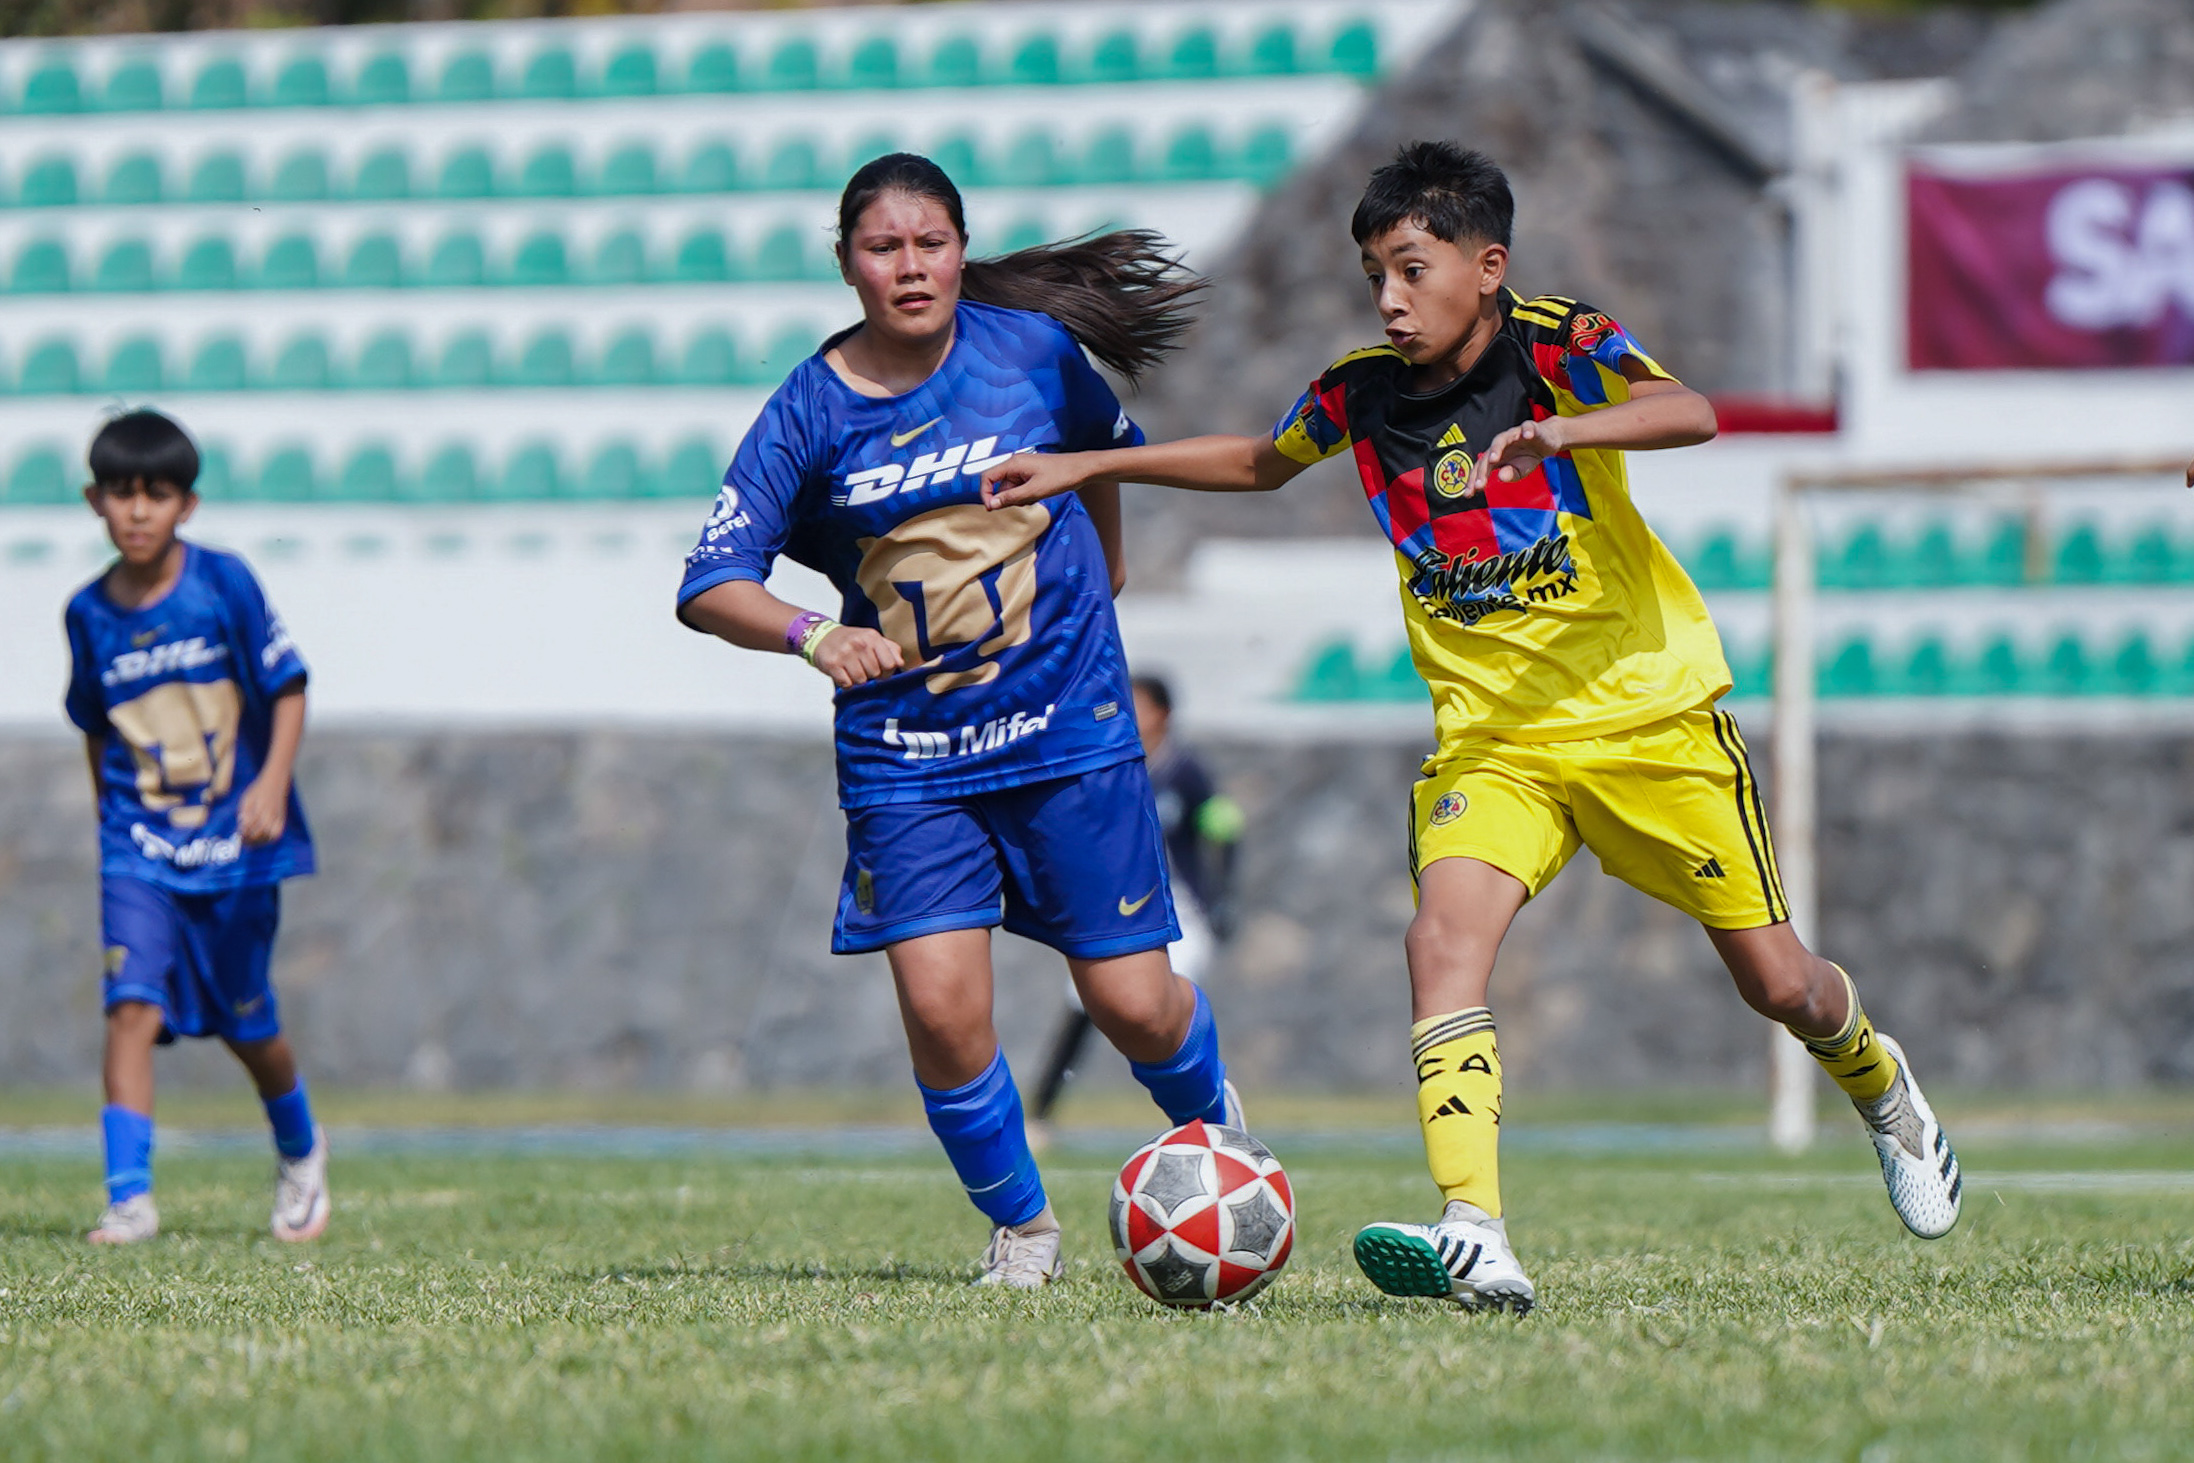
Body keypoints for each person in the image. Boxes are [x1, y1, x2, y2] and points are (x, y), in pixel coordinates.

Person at [981, 142, 1962, 1313]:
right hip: (1494, 747)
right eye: (1373, 278)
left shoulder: (1555, 346)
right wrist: (1092, 461)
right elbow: (1258, 460)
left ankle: (1880, 1083)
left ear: (1485, 267)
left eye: (1410, 269)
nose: (1389, 300)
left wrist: (1568, 434)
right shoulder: (1360, 392)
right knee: (1437, 944)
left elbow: (1685, 410)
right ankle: (1475, 1227)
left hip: (1648, 724)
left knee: (1782, 985)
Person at [675, 153, 1243, 1289]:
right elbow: (708, 580)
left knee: (1131, 1001)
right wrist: (810, 633)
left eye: (930, 242)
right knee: (940, 1012)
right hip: (911, 757)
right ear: (847, 265)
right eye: (884, 248)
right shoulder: (807, 410)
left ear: (959, 247)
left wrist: (1110, 563)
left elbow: (1103, 449)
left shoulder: (1029, 350)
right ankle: (1023, 1229)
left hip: (1067, 731)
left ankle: (1225, 1142)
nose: (910, 266)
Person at [63, 409, 330, 1246]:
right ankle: (129, 1199)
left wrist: (273, 785)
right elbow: (96, 725)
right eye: (121, 493)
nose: (138, 510)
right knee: (130, 1006)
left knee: (249, 1025)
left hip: (237, 850)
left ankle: (300, 1150)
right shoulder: (86, 613)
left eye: (158, 493)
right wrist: (110, 823)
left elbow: (287, 685)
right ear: (93, 500)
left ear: (188, 504)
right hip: (138, 848)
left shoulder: (226, 585)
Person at [1028, 673, 1243, 1130]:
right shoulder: (1111, 765)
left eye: (1139, 704)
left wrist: (1224, 896)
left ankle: (1204, 1122)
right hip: (1121, 914)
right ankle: (1040, 1115)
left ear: (1163, 714)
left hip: (1183, 916)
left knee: (1169, 1010)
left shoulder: (1184, 771)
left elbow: (1224, 825)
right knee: (1083, 1005)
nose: (1130, 712)